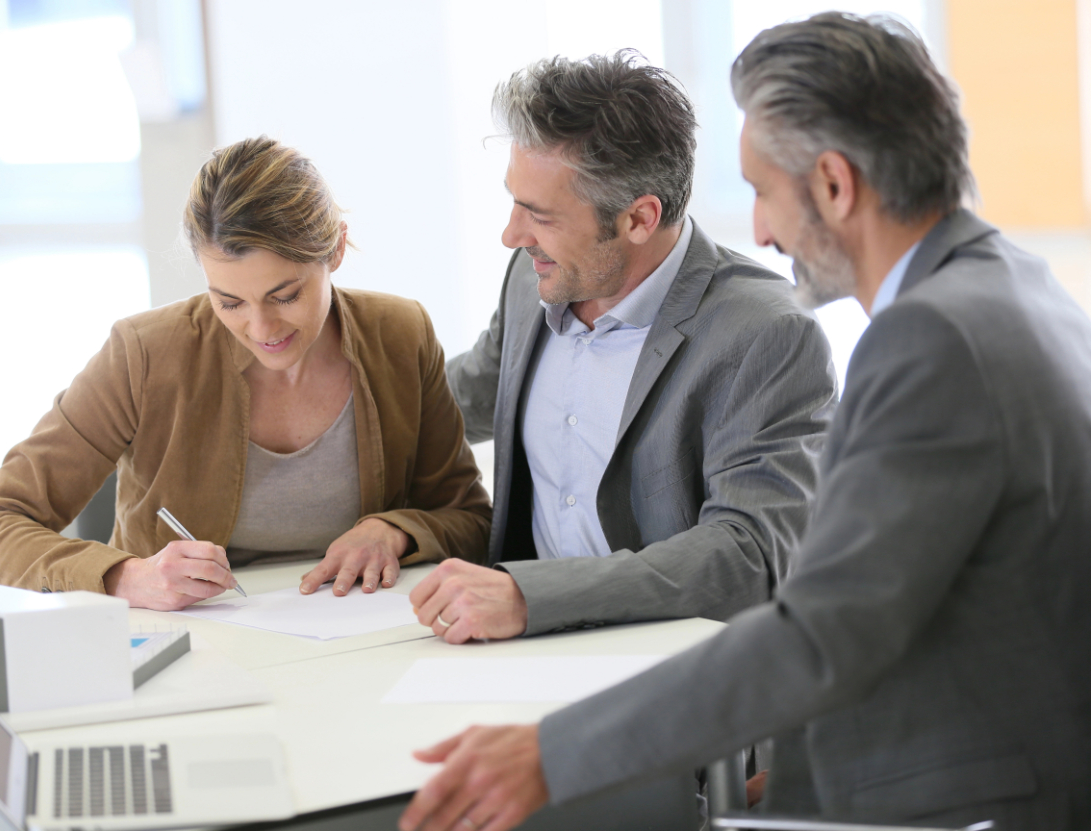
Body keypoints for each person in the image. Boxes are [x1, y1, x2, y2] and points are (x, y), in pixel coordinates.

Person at [400, 13, 1091, 831]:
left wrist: (551, 754)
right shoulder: (1015, 281)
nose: (758, 229)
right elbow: (901, 599)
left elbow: (820, 627)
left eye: (762, 191)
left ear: (833, 184)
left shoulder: (929, 337)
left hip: (967, 799)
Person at [0, 137, 491, 611]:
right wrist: (122, 576)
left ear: (336, 250)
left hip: (366, 639)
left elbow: (470, 517)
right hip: (186, 648)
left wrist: (394, 531)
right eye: (229, 301)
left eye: (285, 295)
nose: (262, 328)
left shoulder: (400, 335)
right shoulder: (145, 354)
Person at [409, 51, 836, 644]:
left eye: (540, 215)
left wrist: (535, 596)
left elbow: (750, 552)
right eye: (514, 201)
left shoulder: (766, 333)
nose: (512, 235)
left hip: (669, 674)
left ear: (639, 218)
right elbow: (451, 404)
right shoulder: (534, 273)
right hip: (514, 651)